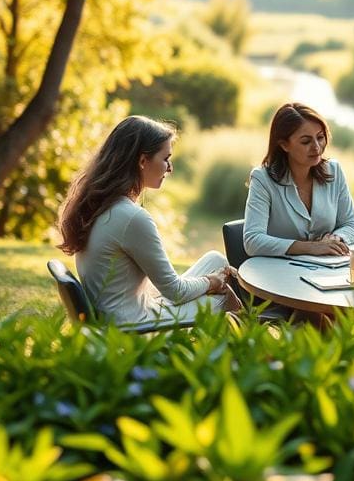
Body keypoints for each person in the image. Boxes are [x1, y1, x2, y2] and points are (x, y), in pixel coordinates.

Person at [57, 116, 242, 325]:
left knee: (215, 261)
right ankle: (243, 342)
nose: (170, 168)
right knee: (222, 296)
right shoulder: (131, 217)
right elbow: (175, 291)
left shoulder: (102, 203)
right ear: (143, 161)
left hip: (132, 306)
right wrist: (211, 283)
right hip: (134, 322)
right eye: (165, 159)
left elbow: (168, 287)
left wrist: (210, 282)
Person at [244, 102, 354, 258]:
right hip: (277, 274)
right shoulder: (262, 179)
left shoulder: (334, 171)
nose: (317, 147)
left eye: (320, 137)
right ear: (284, 145)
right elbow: (252, 241)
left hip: (326, 273)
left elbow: (353, 225)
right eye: (306, 141)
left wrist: (335, 238)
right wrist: (310, 247)